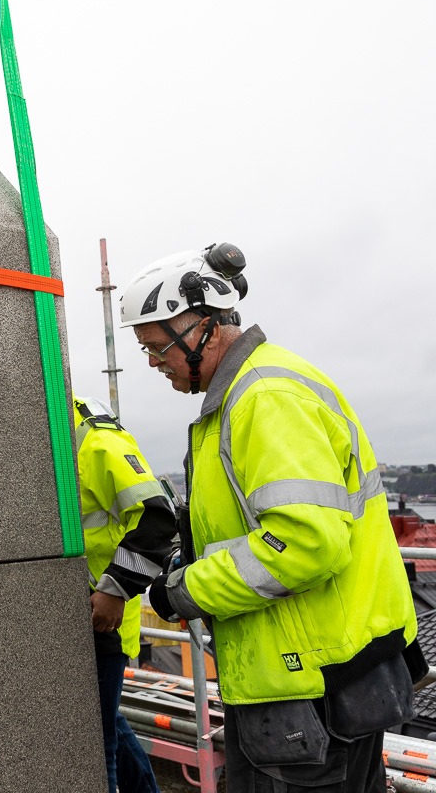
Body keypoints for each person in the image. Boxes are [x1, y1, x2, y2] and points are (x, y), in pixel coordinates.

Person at [120, 243, 425, 792]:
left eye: (157, 346)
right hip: (339, 676)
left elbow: (305, 543)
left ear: (204, 327)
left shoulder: (264, 397)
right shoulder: (252, 391)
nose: (152, 362)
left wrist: (183, 589)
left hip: (306, 689)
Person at [75, 395, 175, 793]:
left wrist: (114, 590)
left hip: (101, 622)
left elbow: (157, 519)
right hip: (79, 617)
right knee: (105, 728)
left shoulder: (96, 442)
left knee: (98, 750)